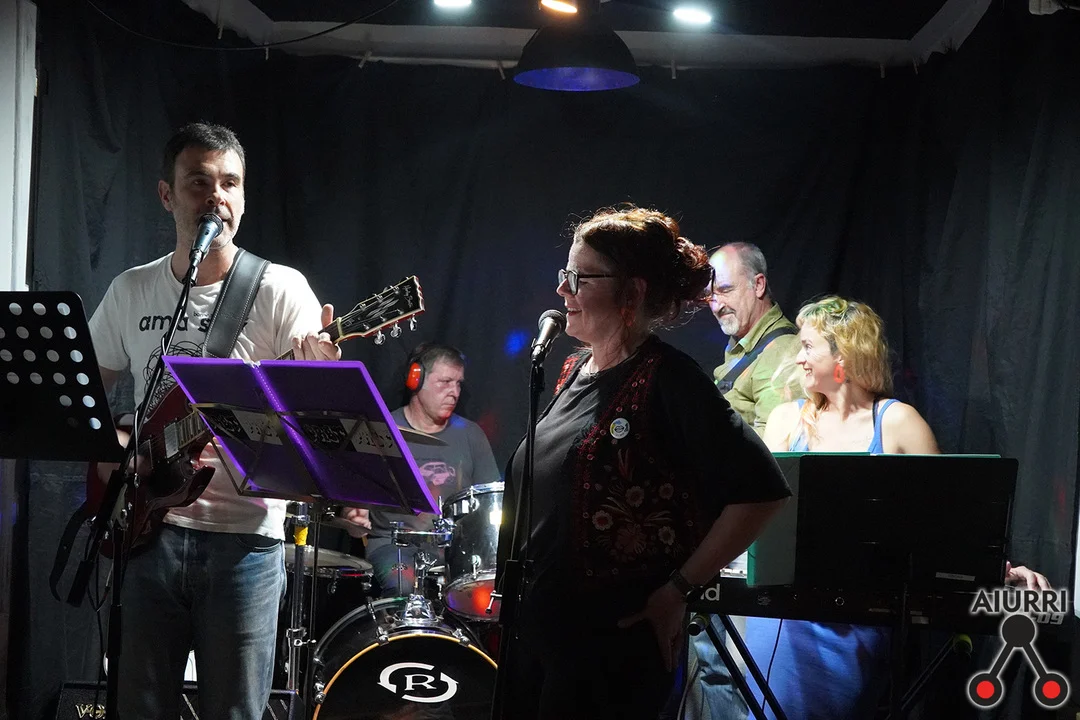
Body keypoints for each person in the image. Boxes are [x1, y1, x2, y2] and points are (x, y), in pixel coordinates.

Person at [497, 206, 791, 719]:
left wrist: (678, 591)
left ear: (631, 293)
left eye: (579, 278)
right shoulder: (573, 369)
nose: (562, 290)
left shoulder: (669, 378)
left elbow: (762, 493)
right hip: (541, 639)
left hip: (608, 654)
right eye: (564, 274)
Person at [89, 122, 342, 719]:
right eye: (199, 182)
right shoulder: (132, 289)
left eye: (230, 183)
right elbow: (90, 401)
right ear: (166, 194)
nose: (216, 197)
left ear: (244, 197)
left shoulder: (281, 290)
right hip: (146, 533)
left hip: (245, 544)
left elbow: (319, 428)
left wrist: (319, 377)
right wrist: (119, 453)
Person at [744, 295, 1048, 719]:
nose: (798, 358)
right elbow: (758, 517)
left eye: (808, 346)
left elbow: (947, 523)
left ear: (844, 355)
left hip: (856, 622)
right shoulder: (785, 420)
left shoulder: (897, 421)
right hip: (782, 616)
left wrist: (1000, 570)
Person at [680, 243, 805, 720]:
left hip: (745, 545)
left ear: (759, 285)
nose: (716, 303)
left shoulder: (781, 353)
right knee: (711, 670)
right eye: (710, 295)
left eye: (726, 290)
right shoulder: (743, 350)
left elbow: (779, 462)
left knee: (726, 671)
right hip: (726, 540)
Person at [348, 343, 502, 597]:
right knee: (404, 587)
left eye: (459, 384)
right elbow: (354, 505)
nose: (454, 392)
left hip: (454, 549)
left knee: (483, 595)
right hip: (394, 545)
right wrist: (354, 516)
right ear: (415, 380)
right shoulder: (381, 431)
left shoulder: (471, 435)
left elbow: (489, 506)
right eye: (445, 382)